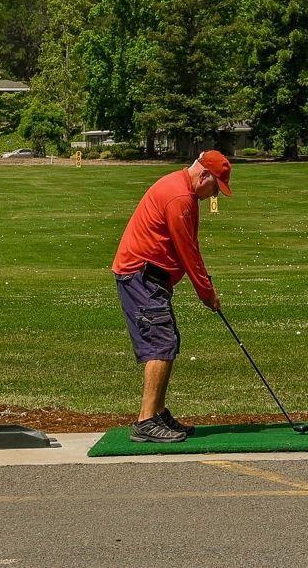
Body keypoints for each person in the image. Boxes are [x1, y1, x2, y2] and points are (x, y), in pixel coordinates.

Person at [112, 151, 231, 442]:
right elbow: (187, 250)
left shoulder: (184, 191)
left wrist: (206, 287)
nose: (212, 195)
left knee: (167, 341)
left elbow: (191, 246)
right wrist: (207, 294)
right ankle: (146, 421)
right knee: (159, 343)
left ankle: (158, 412)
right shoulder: (180, 197)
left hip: (149, 275)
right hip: (141, 275)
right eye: (215, 187)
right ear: (204, 175)